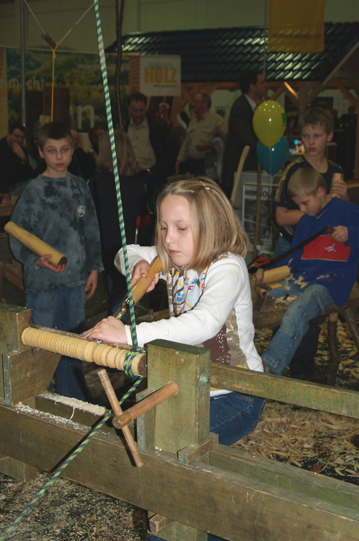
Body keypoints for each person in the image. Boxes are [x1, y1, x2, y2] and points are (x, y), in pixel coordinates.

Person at [83, 177, 265, 443]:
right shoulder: (174, 256)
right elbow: (124, 252)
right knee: (146, 437)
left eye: (181, 228)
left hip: (236, 393)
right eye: (163, 227)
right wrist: (136, 264)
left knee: (173, 443)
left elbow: (204, 324)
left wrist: (129, 334)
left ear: (212, 226)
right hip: (190, 383)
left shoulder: (227, 267)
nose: (168, 239)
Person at [9, 122, 103, 401]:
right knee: (42, 346)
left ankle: (71, 399)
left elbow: (91, 231)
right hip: (43, 286)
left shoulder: (79, 187)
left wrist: (94, 268)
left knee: (72, 344)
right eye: (52, 151)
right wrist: (35, 259)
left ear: (73, 150)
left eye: (64, 150)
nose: (59, 157)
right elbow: (17, 234)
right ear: (41, 152)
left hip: (74, 283)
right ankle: (36, 397)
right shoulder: (34, 191)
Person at [272, 107, 348, 380]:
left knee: (310, 316)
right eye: (306, 136)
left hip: (323, 255)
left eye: (317, 135)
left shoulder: (337, 173)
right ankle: (279, 363)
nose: (311, 141)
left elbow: (342, 219)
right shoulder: (295, 169)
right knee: (277, 310)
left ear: (328, 136)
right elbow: (281, 216)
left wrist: (342, 199)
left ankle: (302, 373)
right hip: (292, 247)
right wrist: (315, 210)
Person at [262, 168, 359, 377]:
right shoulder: (306, 221)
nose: (302, 209)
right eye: (298, 205)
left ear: (320, 191)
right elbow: (293, 260)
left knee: (298, 311)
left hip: (331, 282)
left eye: (305, 203)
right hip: (302, 279)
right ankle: (237, 360)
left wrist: (350, 233)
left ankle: (267, 369)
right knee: (257, 301)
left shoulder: (346, 210)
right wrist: (266, 275)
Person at [88, 130, 149, 316]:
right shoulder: (139, 184)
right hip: (132, 251)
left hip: (106, 251)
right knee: (125, 297)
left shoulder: (94, 183)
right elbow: (144, 222)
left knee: (118, 299)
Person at [125, 91, 178, 243]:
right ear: (129, 108)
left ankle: (150, 243)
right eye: (134, 110)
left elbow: (172, 149)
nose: (138, 114)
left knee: (153, 215)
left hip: (151, 177)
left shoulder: (158, 125)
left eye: (141, 110)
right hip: (130, 177)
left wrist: (155, 171)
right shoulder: (123, 125)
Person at [221, 70, 267, 198]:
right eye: (262, 82)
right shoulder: (241, 107)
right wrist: (264, 149)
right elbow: (245, 137)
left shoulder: (254, 107)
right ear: (252, 86)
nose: (266, 85)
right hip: (240, 169)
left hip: (248, 168)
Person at [175, 93, 228, 179]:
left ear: (205, 104)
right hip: (192, 165)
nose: (193, 105)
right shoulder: (193, 122)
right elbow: (186, 144)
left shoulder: (217, 120)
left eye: (196, 102)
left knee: (205, 190)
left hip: (208, 166)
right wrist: (179, 161)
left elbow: (225, 140)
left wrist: (209, 145)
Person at [0, 122, 35, 205]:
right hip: (5, 189)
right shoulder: (2, 148)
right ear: (9, 135)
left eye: (22, 138)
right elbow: (2, 174)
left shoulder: (22, 150)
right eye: (17, 136)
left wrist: (23, 158)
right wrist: (5, 195)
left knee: (36, 183)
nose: (19, 140)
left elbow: (29, 175)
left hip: (17, 185)